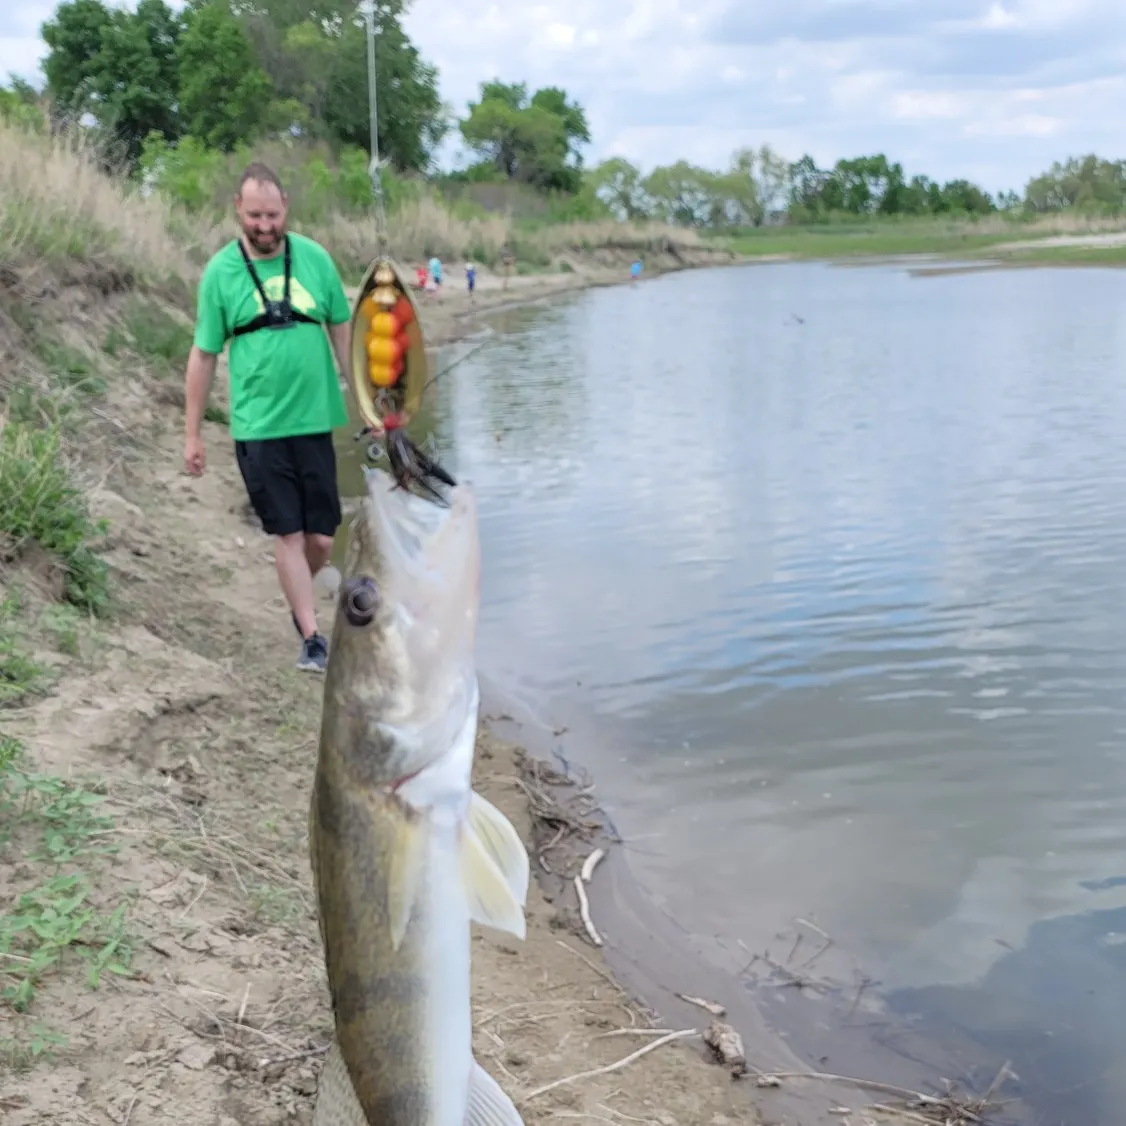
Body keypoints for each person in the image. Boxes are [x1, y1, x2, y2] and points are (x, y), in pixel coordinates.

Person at [181, 161, 353, 674]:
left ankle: (297, 598)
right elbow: (203, 355)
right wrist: (191, 435)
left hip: (315, 420)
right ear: (238, 209)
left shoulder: (316, 260)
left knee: (321, 538)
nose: (264, 225)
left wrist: (366, 400)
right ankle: (311, 635)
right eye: (254, 215)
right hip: (258, 428)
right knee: (288, 535)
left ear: (286, 210)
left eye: (272, 215)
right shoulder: (220, 273)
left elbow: (343, 330)